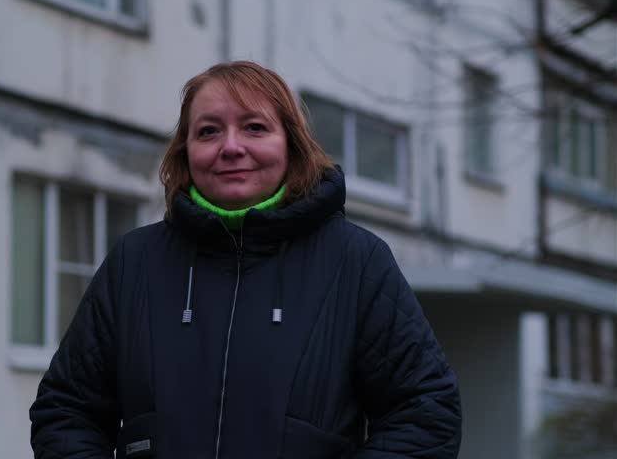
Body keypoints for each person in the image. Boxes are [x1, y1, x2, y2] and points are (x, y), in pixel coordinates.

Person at [30, 61, 462, 458]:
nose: (231, 147)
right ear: (185, 151)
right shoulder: (135, 262)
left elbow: (426, 412)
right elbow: (66, 410)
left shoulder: (356, 261)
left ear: (291, 145)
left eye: (255, 127)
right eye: (208, 131)